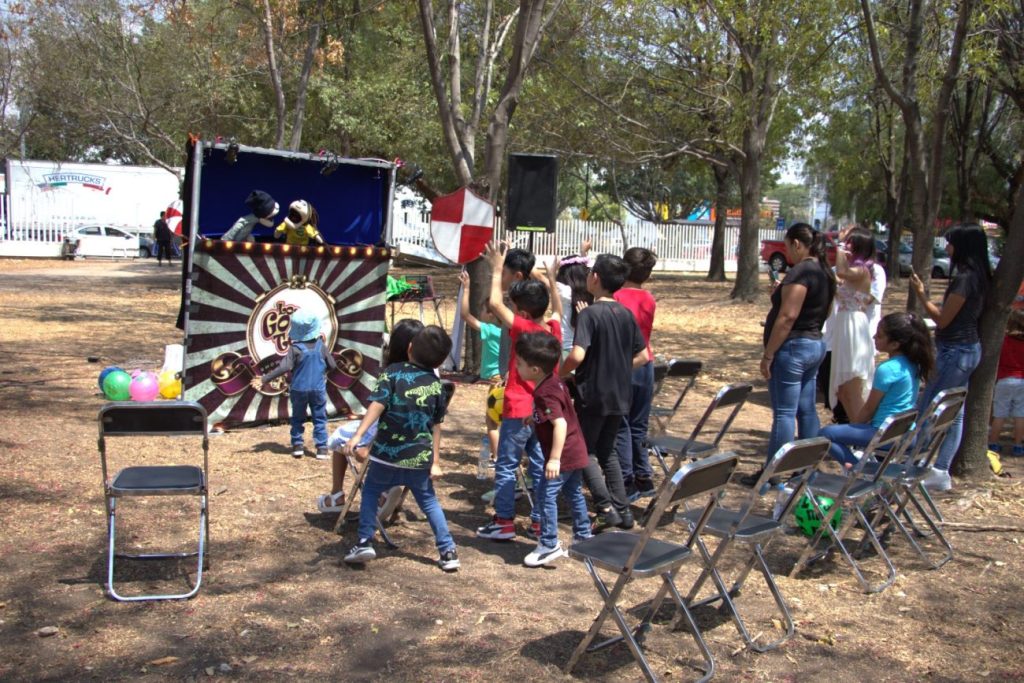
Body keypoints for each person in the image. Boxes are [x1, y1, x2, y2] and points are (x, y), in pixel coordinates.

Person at [341, 326, 460, 571]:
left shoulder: (392, 372)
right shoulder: (437, 386)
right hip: (419, 458)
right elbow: (436, 426)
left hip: (386, 454)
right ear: (440, 362)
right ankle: (448, 551)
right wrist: (436, 462)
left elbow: (377, 405)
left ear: (409, 348)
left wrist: (358, 435)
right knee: (429, 502)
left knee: (371, 491)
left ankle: (364, 541)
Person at [476, 242, 562, 541]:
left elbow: (494, 304)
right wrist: (551, 281)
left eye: (514, 307)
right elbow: (558, 311)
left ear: (522, 311)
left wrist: (496, 268)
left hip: (518, 408)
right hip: (542, 411)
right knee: (539, 467)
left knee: (506, 466)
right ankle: (538, 523)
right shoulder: (553, 330)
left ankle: (504, 521)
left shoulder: (523, 329)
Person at [561, 254, 649, 530]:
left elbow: (577, 354)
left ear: (596, 278)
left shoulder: (589, 314)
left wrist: (561, 373)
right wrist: (618, 370)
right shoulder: (625, 313)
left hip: (594, 394)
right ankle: (624, 511)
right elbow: (643, 356)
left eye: (590, 273)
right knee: (607, 450)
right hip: (620, 394)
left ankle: (605, 508)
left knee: (583, 451)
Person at [744, 223, 835, 486]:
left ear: (797, 244)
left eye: (787, 247)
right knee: (806, 410)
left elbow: (787, 316)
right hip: (814, 343)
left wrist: (769, 354)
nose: (786, 253)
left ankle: (772, 474)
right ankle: (805, 469)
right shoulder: (824, 271)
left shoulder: (801, 271)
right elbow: (826, 309)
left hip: (793, 348)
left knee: (784, 413)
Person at [911, 224, 992, 491]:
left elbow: (943, 320)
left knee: (929, 406)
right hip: (967, 350)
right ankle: (940, 469)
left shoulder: (965, 279)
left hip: (954, 351)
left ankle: (915, 464)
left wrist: (922, 295)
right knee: (954, 412)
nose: (946, 248)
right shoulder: (980, 276)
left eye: (950, 243)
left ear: (962, 246)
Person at [316, 319, 423, 513]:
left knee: (341, 434)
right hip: (418, 441)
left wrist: (367, 445)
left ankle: (338, 495)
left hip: (385, 439)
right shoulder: (430, 378)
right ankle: (386, 490)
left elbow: (386, 418)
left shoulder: (392, 376)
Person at [514, 332, 593, 566]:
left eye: (520, 364)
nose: (517, 367)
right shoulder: (553, 380)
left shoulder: (544, 393)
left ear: (535, 369)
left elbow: (560, 423)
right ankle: (583, 537)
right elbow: (558, 412)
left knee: (545, 495)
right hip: (576, 448)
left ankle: (549, 544)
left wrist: (554, 459)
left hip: (564, 455)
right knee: (574, 492)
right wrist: (535, 418)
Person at [820, 312, 933, 467]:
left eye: (879, 336)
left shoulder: (887, 369)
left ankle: (858, 471)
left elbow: (869, 410)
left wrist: (854, 427)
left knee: (825, 434)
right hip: (906, 432)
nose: (874, 337)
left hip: (884, 435)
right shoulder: (913, 364)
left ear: (895, 344)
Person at [251, 309, 336, 459]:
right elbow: (333, 365)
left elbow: (283, 367)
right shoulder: (321, 346)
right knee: (319, 418)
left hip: (298, 389)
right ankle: (322, 449)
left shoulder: (295, 349)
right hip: (318, 389)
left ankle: (297, 446)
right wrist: (322, 372)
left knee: (297, 418)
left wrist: (264, 379)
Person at [613, 246, 658, 501]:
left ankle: (626, 479)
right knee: (639, 424)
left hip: (623, 365)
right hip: (645, 364)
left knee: (621, 424)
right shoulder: (649, 298)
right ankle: (643, 475)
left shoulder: (616, 297)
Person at [828, 227, 878, 421]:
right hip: (844, 326)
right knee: (842, 391)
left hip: (854, 327)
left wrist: (839, 248)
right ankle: (855, 426)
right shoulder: (854, 273)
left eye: (851, 243)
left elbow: (842, 272)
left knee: (852, 386)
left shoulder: (862, 270)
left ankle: (860, 430)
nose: (847, 246)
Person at [458, 270, 502, 461]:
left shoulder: (490, 330)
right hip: (509, 380)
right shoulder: (509, 331)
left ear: (491, 314)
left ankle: (497, 457)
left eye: (484, 310)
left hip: (496, 382)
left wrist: (466, 288)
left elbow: (465, 315)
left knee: (492, 422)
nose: (481, 313)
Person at [989, 309, 1024, 457]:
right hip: (1022, 381)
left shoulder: (1003, 341)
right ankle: (1018, 445)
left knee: (999, 413)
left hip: (1004, 380)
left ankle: (993, 443)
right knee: (1020, 414)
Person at [554, 239, 594, 358]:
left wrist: (553, 270)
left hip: (564, 349)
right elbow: (590, 269)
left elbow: (542, 277)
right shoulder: (591, 290)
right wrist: (584, 254)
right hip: (585, 349)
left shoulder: (562, 291)